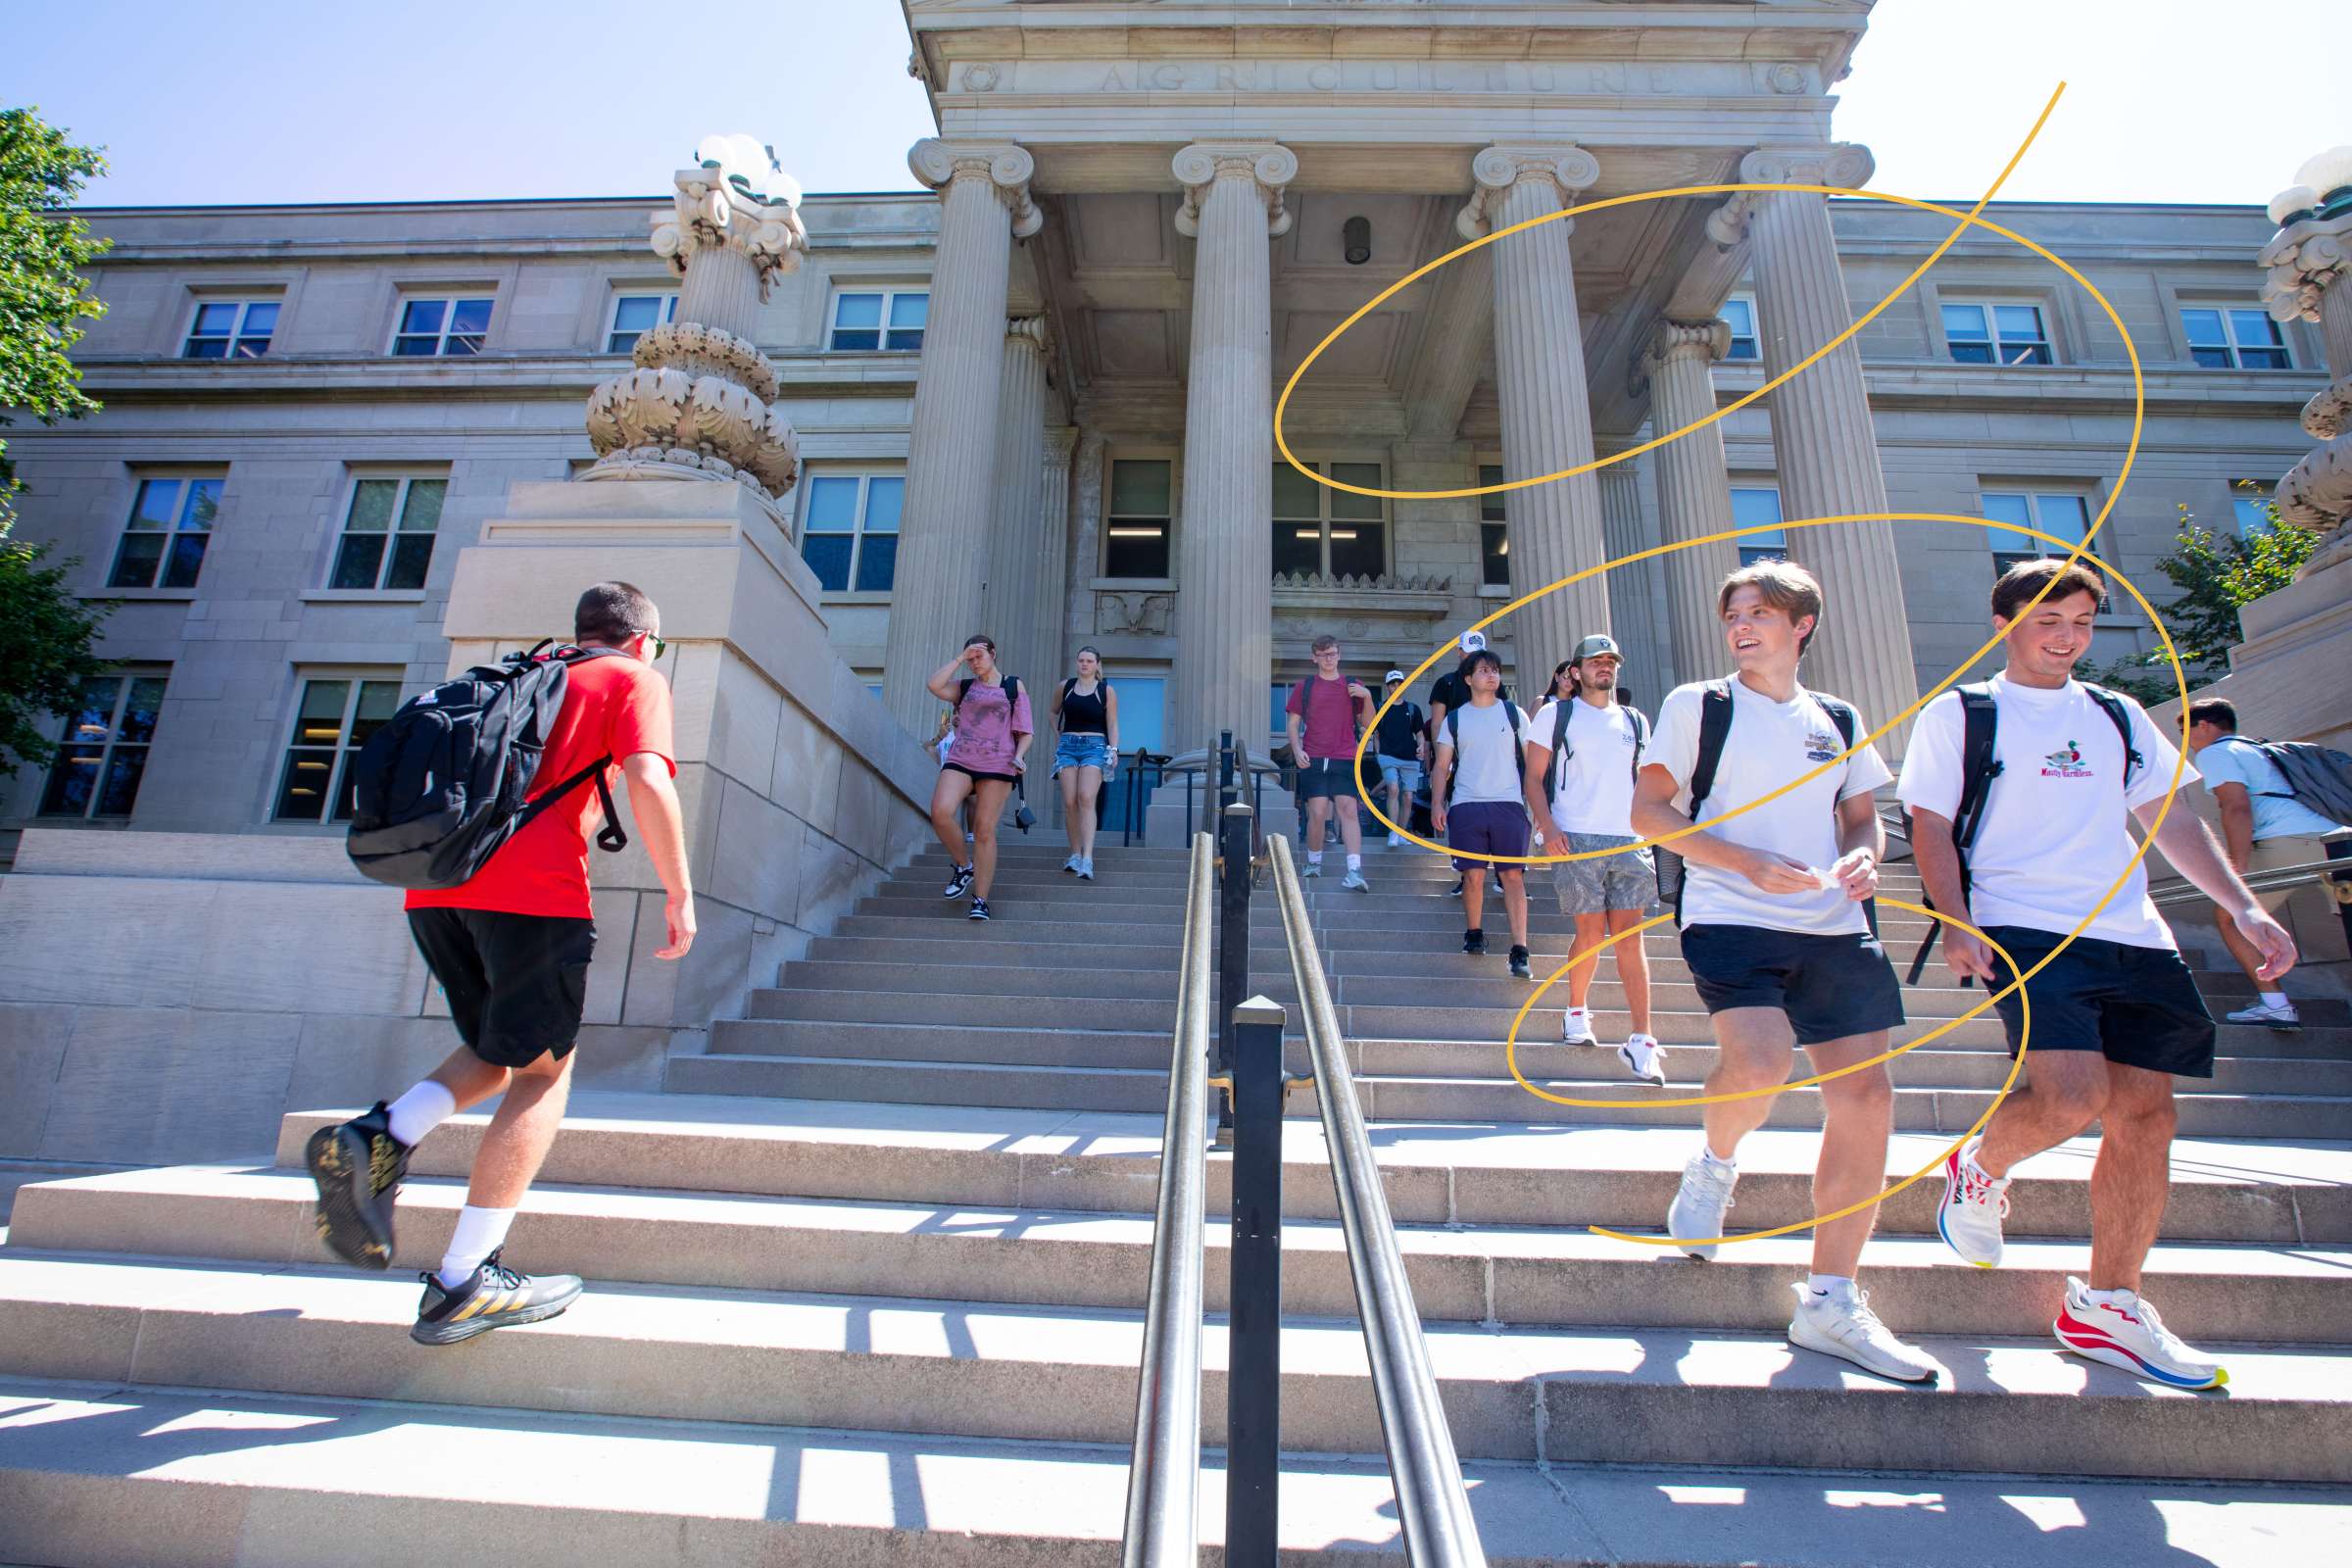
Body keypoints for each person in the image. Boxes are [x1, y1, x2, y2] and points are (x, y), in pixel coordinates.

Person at [1905, 560, 2295, 1391]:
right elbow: (1930, 824)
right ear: (2008, 622)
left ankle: (2109, 1306)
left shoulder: (2118, 714)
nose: (2068, 636)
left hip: (2134, 933)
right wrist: (1956, 920)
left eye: (2082, 621)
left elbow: (2167, 815)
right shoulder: (1965, 712)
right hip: (2025, 928)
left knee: (2148, 1118)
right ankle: (1979, 1165)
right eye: (2051, 618)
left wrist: (2245, 906)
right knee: (2073, 1098)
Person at [306, 581, 696, 1345]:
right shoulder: (632, 677)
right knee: (545, 1073)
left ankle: (384, 1133)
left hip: (439, 890)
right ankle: (466, 1277)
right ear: (645, 639)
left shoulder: (529, 673)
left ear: (580, 628)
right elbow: (648, 776)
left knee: (498, 1048)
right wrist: (680, 893)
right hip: (535, 897)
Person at [1632, 561, 1931, 1383]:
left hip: (1834, 921)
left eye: (1759, 612)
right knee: (1761, 1064)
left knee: (1867, 1096)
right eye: (1733, 613)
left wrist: (1866, 861)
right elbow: (1649, 812)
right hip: (1730, 912)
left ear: (1802, 625)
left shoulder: (1837, 715)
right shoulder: (1698, 705)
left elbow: (1863, 816)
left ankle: (1832, 1298)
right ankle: (1716, 1162)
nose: (1741, 625)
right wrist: (1743, 862)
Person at [1524, 633, 1664, 1084]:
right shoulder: (1555, 714)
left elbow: (1647, 779)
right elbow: (1533, 778)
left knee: (1629, 937)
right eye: (1595, 662)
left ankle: (1642, 1039)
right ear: (1576, 671)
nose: (1604, 668)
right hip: (1575, 834)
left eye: (1610, 662)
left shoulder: (1636, 721)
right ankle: (1577, 1009)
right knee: (1590, 933)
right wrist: (1547, 826)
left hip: (1628, 837)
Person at [2183, 698, 2349, 1029]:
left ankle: (2276, 1005)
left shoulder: (2215, 753)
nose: (2187, 742)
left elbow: (2236, 808)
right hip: (2336, 839)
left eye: (2187, 732)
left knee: (2233, 917)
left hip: (2287, 841)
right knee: (2346, 920)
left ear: (2204, 725)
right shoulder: (2262, 750)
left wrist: (2236, 868)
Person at [1432, 648, 1536, 978]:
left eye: (1495, 670)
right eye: (1483, 670)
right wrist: (1437, 803)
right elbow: (1442, 765)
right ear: (1468, 678)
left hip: (1508, 803)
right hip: (1466, 804)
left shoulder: (1515, 714)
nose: (1491, 675)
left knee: (1513, 877)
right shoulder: (1455, 718)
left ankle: (1520, 948)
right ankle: (1474, 933)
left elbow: (1532, 762)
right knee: (1473, 875)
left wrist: (1538, 805)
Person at [928, 634, 1034, 922]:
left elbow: (1025, 730)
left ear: (993, 654)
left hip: (998, 764)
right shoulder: (964, 687)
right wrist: (960, 659)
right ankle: (964, 866)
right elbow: (934, 685)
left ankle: (981, 900)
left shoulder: (1012, 685)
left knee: (984, 831)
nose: (975, 663)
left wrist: (1020, 755)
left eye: (979, 657)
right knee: (940, 812)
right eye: (970, 659)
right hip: (962, 758)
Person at [1286, 633, 1374, 890]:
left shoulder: (1352, 684)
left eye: (1333, 653)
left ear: (1339, 655)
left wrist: (1367, 695)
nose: (1329, 658)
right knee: (1318, 811)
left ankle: (1354, 871)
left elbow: (1369, 723)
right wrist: (1296, 749)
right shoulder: (1307, 686)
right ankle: (1314, 863)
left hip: (1344, 756)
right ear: (1315, 658)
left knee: (1348, 809)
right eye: (1323, 654)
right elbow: (1292, 723)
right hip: (1313, 756)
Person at [1429, 630, 1511, 901]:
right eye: (1470, 651)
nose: (1475, 656)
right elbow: (1438, 721)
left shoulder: (1494, 683)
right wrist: (1442, 755)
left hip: (1492, 759)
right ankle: (1466, 874)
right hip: (1457, 752)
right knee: (1460, 814)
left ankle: (1504, 874)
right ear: (1459, 651)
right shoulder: (1446, 682)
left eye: (1480, 651)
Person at [1052, 646, 1120, 881]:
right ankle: (1074, 854)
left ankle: (1088, 858)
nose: (1084, 664)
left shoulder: (1105, 691)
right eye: (1081, 660)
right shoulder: (1066, 687)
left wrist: (1113, 750)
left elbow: (1112, 723)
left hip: (1096, 746)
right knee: (1070, 802)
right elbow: (1052, 713)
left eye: (1089, 661)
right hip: (1068, 746)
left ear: (1097, 664)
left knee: (1086, 798)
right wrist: (1058, 735)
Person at [1372, 669, 1427, 848]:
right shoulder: (1381, 707)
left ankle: (1401, 832)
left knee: (1408, 797)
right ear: (1387, 687)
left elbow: (1419, 733)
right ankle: (1393, 831)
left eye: (1399, 683)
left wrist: (1420, 746)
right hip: (1388, 756)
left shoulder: (1413, 709)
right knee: (1393, 789)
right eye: (1393, 684)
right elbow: (1376, 734)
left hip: (1410, 758)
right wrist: (1379, 753)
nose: (1396, 687)